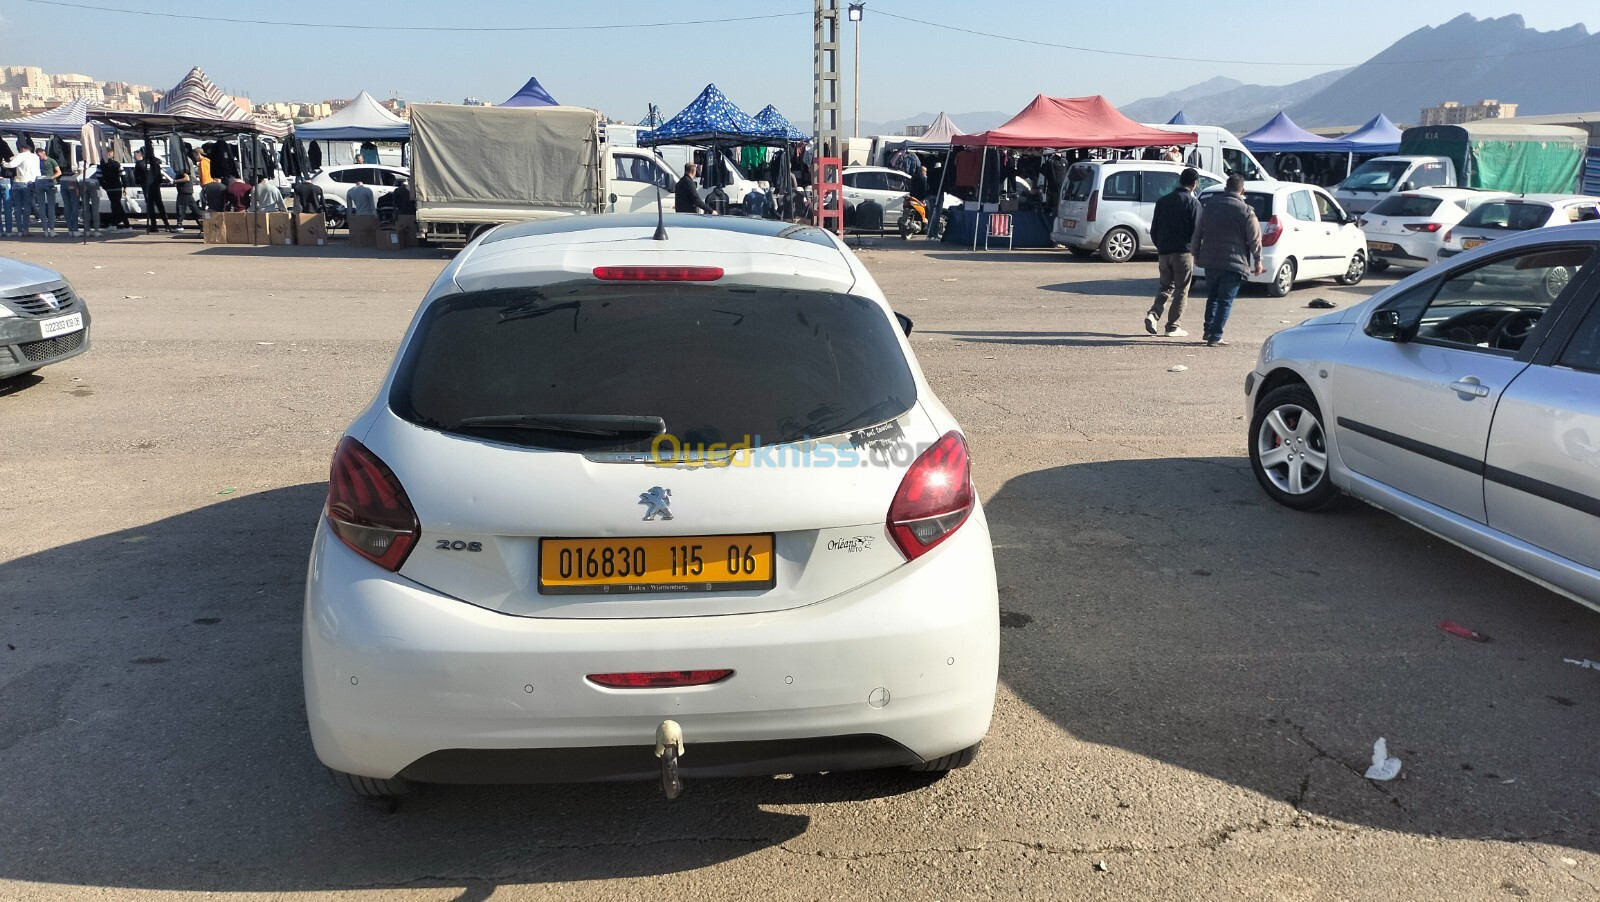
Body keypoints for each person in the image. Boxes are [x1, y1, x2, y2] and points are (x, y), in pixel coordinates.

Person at [1194, 175, 1263, 347]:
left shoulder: (1209, 207)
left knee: (1213, 297)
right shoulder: (1247, 211)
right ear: (1243, 191)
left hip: (1210, 260)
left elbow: (1198, 233)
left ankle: (1208, 330)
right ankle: (1215, 336)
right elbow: (1254, 239)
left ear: (1225, 188)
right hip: (1234, 263)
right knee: (1225, 301)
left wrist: (1195, 253)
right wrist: (1258, 261)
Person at [1144, 168, 1203, 338]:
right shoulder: (1193, 204)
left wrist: (1161, 246)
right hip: (1183, 252)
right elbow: (1197, 232)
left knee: (1165, 286)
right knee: (1181, 290)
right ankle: (1172, 326)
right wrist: (1196, 252)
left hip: (1164, 252)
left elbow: (1154, 229)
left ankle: (1153, 314)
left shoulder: (1163, 201)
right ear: (1195, 184)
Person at [134, 149, 173, 233]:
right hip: (155, 186)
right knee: (160, 206)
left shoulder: (139, 164)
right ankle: (167, 224)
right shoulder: (156, 162)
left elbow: (136, 178)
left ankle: (154, 225)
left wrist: (142, 182)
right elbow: (159, 176)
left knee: (150, 207)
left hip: (147, 187)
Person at [6, 142, 40, 236]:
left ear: (22, 149)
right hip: (30, 183)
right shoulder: (35, 157)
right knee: (27, 207)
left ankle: (19, 230)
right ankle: (26, 229)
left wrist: (4, 163)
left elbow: (11, 165)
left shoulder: (21, 155)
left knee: (17, 207)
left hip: (18, 182)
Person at [172, 148, 202, 231]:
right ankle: (203, 222)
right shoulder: (186, 161)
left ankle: (179, 225)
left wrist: (174, 181)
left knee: (181, 207)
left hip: (184, 189)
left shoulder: (182, 164)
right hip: (187, 189)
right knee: (194, 208)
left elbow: (186, 178)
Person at [99, 154, 130, 231]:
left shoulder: (100, 165)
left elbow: (99, 177)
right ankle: (114, 224)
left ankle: (127, 226)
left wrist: (104, 186)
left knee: (116, 206)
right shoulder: (117, 164)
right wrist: (125, 186)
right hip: (118, 187)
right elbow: (123, 176)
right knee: (116, 205)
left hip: (109, 188)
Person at [34, 147, 60, 237]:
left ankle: (51, 229)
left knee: (50, 207)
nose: (39, 156)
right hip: (41, 183)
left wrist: (51, 178)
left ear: (43, 152)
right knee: (42, 206)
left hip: (49, 183)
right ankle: (46, 230)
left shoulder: (51, 160)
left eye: (39, 154)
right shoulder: (37, 161)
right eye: (37, 155)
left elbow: (58, 172)